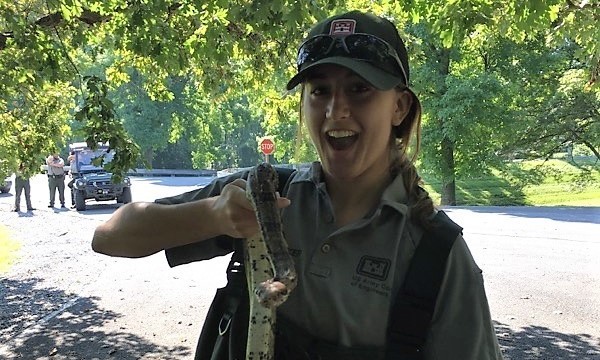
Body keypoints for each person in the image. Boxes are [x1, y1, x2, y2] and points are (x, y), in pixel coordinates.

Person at [92, 10, 503, 360]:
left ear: (399, 107)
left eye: (359, 90)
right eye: (319, 90)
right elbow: (110, 236)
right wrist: (211, 215)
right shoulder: (262, 194)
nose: (335, 110)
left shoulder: (437, 251)